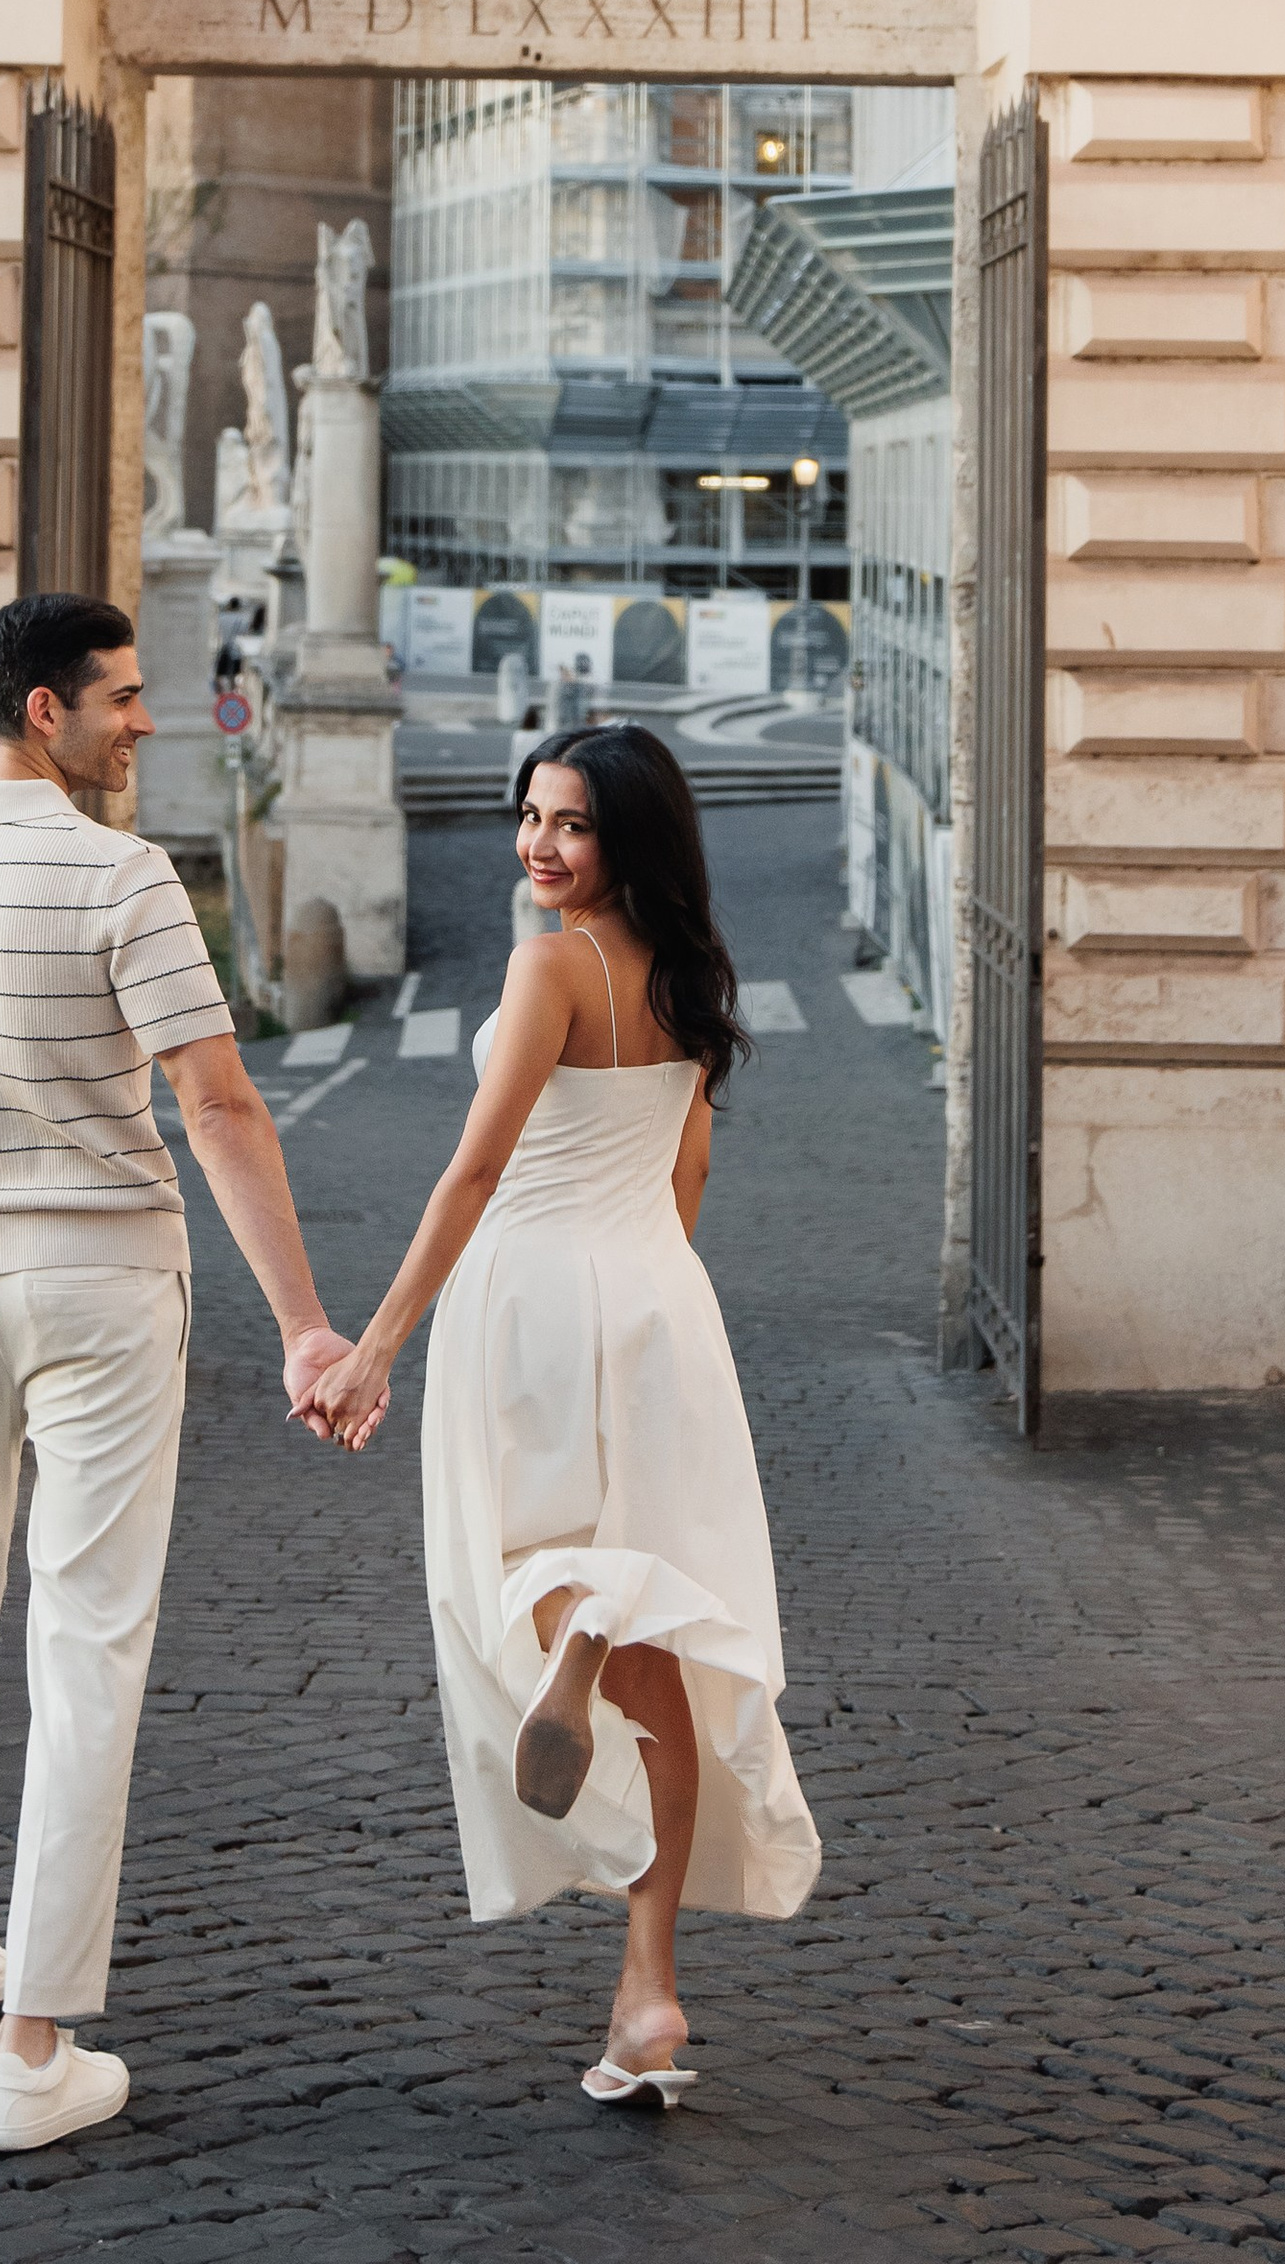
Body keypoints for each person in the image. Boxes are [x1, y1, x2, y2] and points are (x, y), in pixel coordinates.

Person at [0, 591, 355, 2156]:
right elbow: (219, 1107)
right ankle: (31, 2049)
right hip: (100, 1269)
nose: (145, 719)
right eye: (119, 697)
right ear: (41, 710)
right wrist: (305, 1323)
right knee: (89, 1639)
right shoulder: (124, 879)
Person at [313, 723, 818, 2106]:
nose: (540, 843)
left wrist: (376, 1346)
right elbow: (689, 1161)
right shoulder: (692, 976)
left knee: (514, 1559)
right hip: (660, 1300)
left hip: (528, 1292)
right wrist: (652, 1289)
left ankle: (571, 1657)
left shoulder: (550, 965)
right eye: (530, 815)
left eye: (572, 823)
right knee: (666, 1644)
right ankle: (648, 1992)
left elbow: (474, 1174)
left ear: (626, 839)